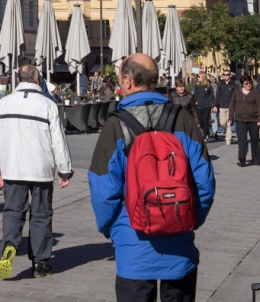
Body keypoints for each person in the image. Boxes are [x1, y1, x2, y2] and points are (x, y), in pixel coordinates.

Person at [91, 53, 214, 301]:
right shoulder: (182, 118)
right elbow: (205, 181)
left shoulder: (115, 125)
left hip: (132, 243)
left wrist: (111, 228)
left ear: (127, 81)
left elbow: (103, 188)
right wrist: (190, 218)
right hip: (180, 239)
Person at [0, 62, 72, 279]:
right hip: (41, 169)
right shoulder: (47, 105)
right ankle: (40, 263)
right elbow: (59, 141)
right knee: (41, 215)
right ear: (38, 80)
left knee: (13, 211)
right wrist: (65, 170)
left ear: (17, 81)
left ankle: (9, 245)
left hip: (12, 167)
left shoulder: (3, 104)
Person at [230, 76, 260, 167]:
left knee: (254, 140)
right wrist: (230, 117)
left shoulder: (255, 92)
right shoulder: (237, 92)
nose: (248, 85)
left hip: (253, 120)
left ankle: (256, 159)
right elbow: (232, 104)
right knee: (242, 141)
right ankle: (242, 159)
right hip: (240, 120)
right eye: (246, 84)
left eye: (250, 83)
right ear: (242, 84)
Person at [214, 70, 235, 144]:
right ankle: (228, 133)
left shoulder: (233, 84)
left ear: (230, 75)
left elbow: (235, 96)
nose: (225, 76)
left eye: (227, 74)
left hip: (230, 106)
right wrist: (215, 105)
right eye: (224, 74)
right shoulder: (220, 84)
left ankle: (228, 139)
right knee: (222, 123)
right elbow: (217, 96)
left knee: (229, 123)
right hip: (222, 106)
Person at [192, 75, 216, 141]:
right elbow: (195, 95)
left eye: (199, 77)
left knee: (205, 120)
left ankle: (205, 136)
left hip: (207, 106)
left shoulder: (208, 86)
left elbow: (212, 96)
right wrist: (196, 102)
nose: (198, 78)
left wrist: (213, 105)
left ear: (203, 77)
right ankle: (207, 131)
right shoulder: (197, 86)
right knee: (200, 121)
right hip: (199, 105)